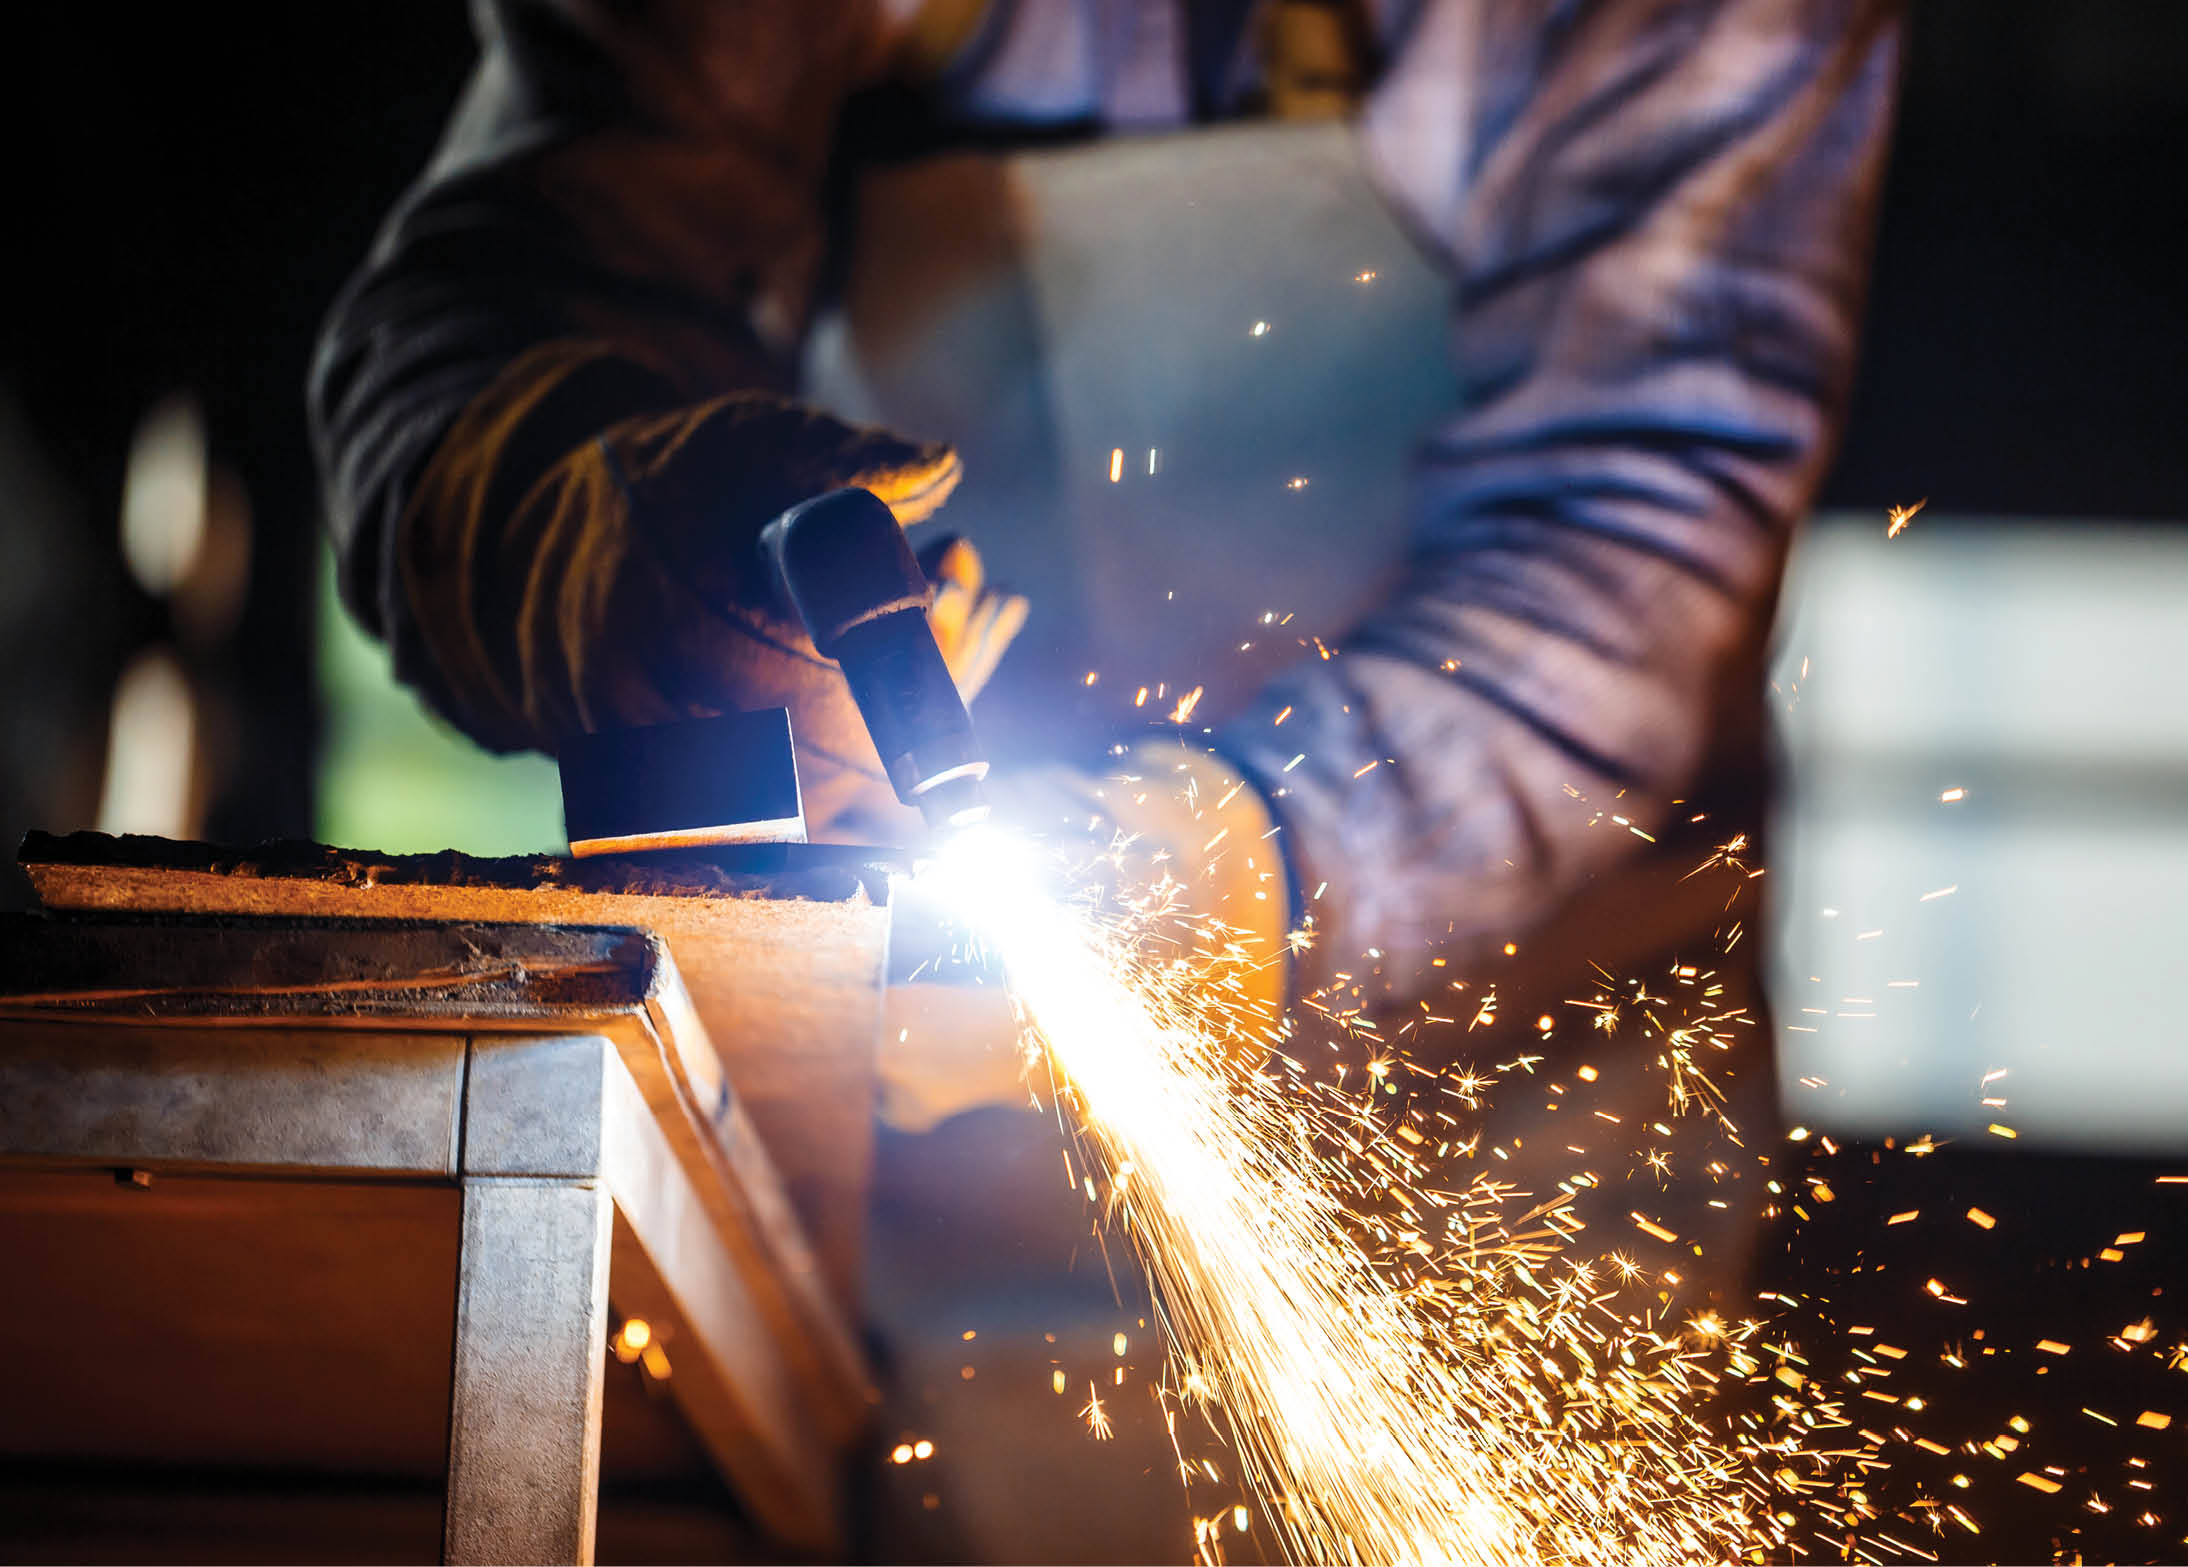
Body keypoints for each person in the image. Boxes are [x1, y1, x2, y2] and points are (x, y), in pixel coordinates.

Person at [314, 4, 1900, 1552]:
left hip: (1520, 1156)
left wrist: (1237, 865)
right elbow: (488, 324)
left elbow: (1640, 496)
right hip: (928, 1203)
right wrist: (629, 564)